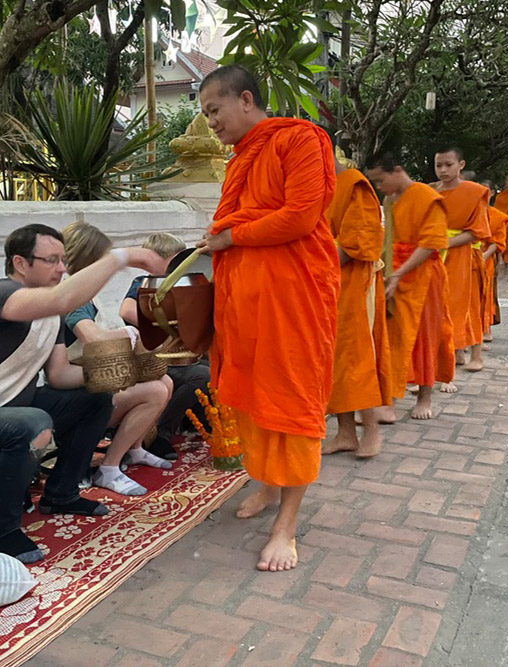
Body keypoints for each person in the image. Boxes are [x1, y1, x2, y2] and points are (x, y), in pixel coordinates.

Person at [0, 225, 162, 565]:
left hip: (14, 411)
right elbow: (63, 298)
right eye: (52, 261)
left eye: (63, 260)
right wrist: (121, 259)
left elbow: (60, 375)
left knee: (95, 398)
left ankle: (62, 494)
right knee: (32, 421)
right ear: (20, 263)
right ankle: (2, 529)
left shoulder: (51, 311)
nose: (62, 269)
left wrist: (116, 374)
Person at [196, 65, 339, 572]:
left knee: (292, 404)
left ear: (247, 100)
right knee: (253, 399)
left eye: (214, 110)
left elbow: (301, 216)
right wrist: (221, 237)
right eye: (205, 113)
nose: (210, 121)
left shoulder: (300, 140)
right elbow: (236, 220)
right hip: (245, 305)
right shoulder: (239, 161)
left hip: (293, 300)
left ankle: (287, 526)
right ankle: (263, 483)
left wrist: (231, 235)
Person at [61, 221, 173, 496]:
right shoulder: (75, 295)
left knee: (166, 381)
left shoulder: (82, 291)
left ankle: (135, 449)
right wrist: (126, 333)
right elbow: (92, 337)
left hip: (90, 378)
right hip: (77, 391)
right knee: (157, 390)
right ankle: (109, 467)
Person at [366, 153, 453, 420]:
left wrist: (401, 272)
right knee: (391, 336)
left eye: (381, 181)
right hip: (393, 272)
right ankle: (388, 399)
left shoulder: (428, 198)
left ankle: (425, 397)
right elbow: (386, 239)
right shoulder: (389, 201)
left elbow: (431, 244)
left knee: (425, 335)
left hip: (424, 274)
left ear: (397, 170)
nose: (380, 187)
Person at [322, 154, 392, 458]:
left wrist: (305, 260)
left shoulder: (355, 185)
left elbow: (357, 245)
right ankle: (345, 433)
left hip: (354, 283)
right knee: (336, 361)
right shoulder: (322, 187)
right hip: (327, 284)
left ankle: (372, 433)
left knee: (359, 358)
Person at [120, 233, 211, 459]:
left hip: (180, 356)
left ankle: (197, 420)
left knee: (216, 363)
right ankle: (161, 434)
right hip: (153, 358)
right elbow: (126, 311)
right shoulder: (143, 282)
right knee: (202, 376)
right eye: (177, 260)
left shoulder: (181, 284)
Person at [431, 148, 491, 374]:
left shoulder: (475, 192)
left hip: (462, 256)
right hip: (431, 254)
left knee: (463, 305)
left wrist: (446, 242)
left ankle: (475, 355)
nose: (443, 170)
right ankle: (443, 359)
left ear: (461, 165)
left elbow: (477, 231)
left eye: (448, 164)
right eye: (439, 165)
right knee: (434, 306)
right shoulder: (428, 191)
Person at [479, 181, 508, 343]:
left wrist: (484, 255)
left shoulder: (496, 216)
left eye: (485, 191)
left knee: (486, 293)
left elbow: (497, 242)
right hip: (464, 258)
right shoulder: (468, 213)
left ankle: (486, 328)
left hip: (485, 258)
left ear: (491, 193)